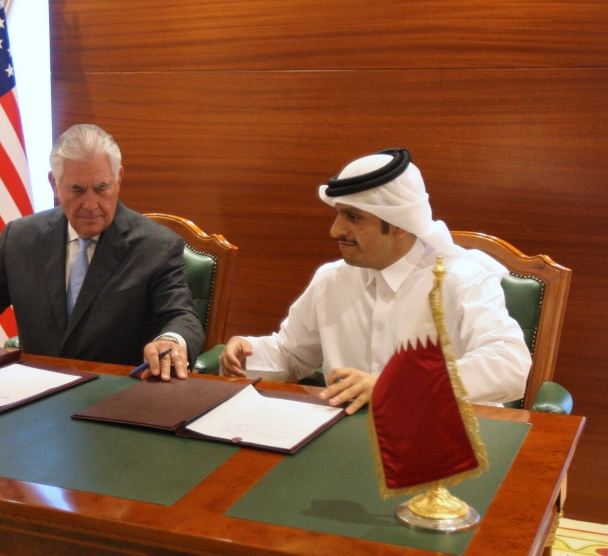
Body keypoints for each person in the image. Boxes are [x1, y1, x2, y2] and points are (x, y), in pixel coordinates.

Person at [220, 148, 530, 413]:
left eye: (353, 217)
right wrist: (249, 352)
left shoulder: (460, 278)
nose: (335, 230)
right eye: (338, 214)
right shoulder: (332, 280)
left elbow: (510, 365)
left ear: (400, 226)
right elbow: (292, 355)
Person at [0, 124, 204, 380]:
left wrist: (170, 341)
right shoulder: (21, 238)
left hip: (116, 395)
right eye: (77, 190)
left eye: (101, 188)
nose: (90, 204)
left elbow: (181, 317)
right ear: (54, 184)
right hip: (35, 391)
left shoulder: (157, 247)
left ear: (119, 180)